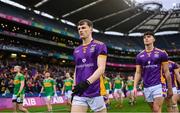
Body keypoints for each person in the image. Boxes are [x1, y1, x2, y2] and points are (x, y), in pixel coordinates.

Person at [71, 19, 107, 113]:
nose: (80, 30)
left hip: (95, 91)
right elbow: (77, 68)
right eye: (79, 29)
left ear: (91, 29)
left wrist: (86, 83)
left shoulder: (100, 46)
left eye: (83, 28)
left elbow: (101, 68)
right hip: (80, 92)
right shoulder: (76, 50)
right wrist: (74, 85)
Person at [133, 31, 173, 113]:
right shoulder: (139, 56)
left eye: (148, 36)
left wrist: (170, 88)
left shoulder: (162, 53)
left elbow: (166, 72)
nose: (146, 38)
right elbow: (138, 72)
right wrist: (134, 87)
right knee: (154, 110)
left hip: (159, 85)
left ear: (153, 39)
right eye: (144, 37)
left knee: (156, 108)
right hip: (146, 87)